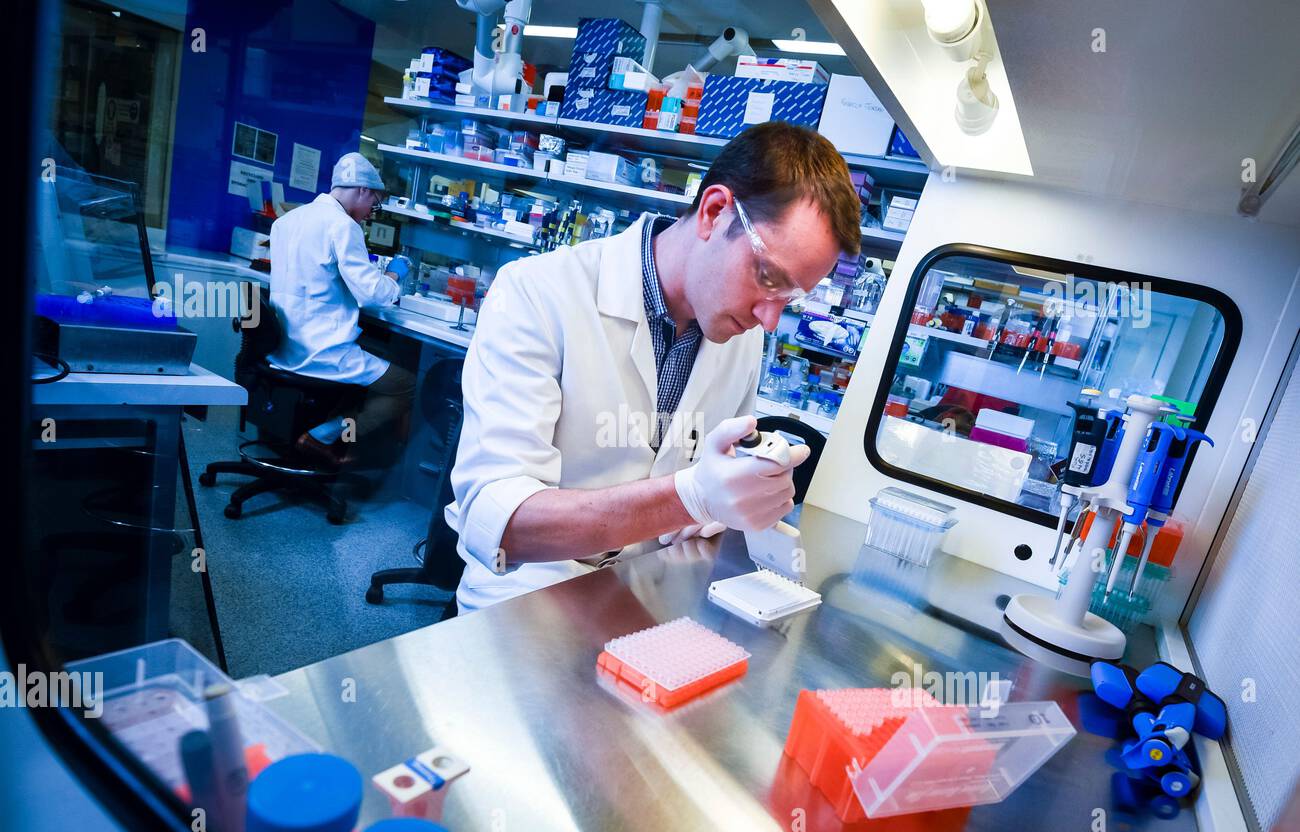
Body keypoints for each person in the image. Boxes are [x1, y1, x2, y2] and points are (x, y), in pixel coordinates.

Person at [447, 122, 862, 612]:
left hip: (647, 594)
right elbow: (503, 524)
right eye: (769, 276)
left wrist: (731, 499)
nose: (770, 320)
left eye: (789, 298)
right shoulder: (536, 293)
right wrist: (693, 496)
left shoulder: (739, 336)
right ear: (714, 212)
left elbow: (705, 492)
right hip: (521, 600)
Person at [267, 151, 416, 470]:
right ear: (362, 189)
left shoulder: (286, 221)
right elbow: (373, 295)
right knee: (405, 384)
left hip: (283, 348)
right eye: (373, 204)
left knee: (371, 358)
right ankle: (324, 436)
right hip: (322, 352)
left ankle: (325, 437)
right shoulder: (342, 226)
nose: (370, 213)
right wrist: (395, 274)